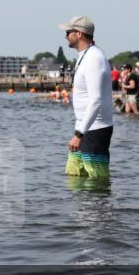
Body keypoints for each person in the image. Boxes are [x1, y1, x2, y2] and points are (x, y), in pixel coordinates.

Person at [59, 15, 113, 179]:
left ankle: (98, 205)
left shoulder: (94, 58)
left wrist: (78, 134)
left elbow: (95, 100)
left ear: (79, 34)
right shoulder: (85, 56)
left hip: (95, 130)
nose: (65, 36)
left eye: (69, 32)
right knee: (73, 175)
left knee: (96, 181)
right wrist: (79, 130)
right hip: (83, 127)